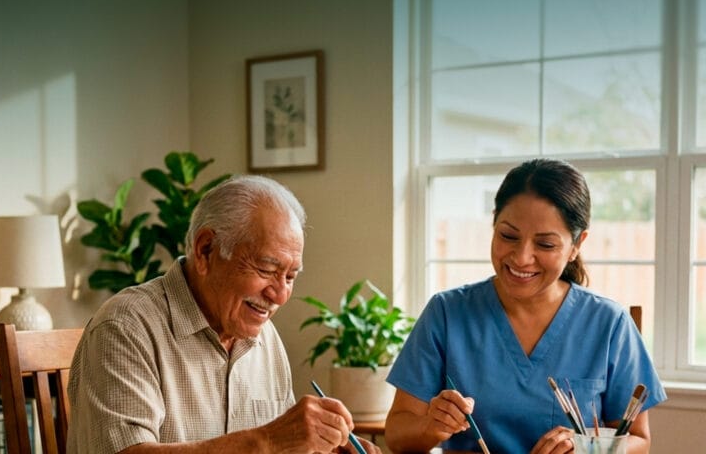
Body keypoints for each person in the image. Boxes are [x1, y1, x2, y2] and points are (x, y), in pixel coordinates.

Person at [67, 174, 380, 454]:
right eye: (267, 269)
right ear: (206, 250)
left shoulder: (263, 334)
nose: (280, 295)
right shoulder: (124, 327)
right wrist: (269, 441)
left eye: (290, 276)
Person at [384, 159, 666, 454]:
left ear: (576, 245)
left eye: (545, 245)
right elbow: (397, 435)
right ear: (494, 222)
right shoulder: (446, 313)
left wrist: (586, 449)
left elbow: (639, 440)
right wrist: (431, 425)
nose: (521, 258)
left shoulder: (610, 324)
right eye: (508, 236)